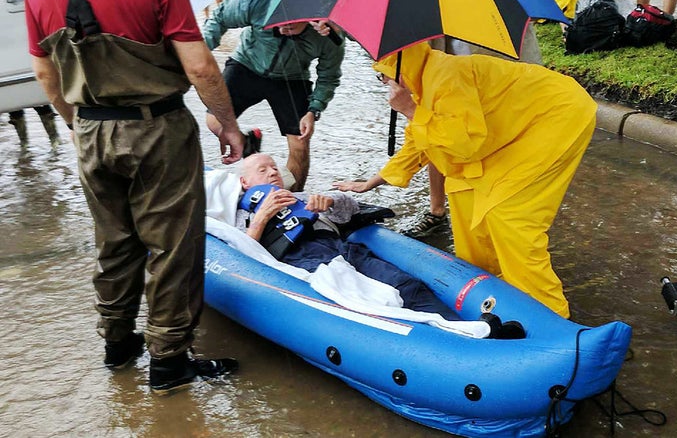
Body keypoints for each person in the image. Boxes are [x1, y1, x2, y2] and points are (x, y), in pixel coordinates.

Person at [25, 0, 245, 394]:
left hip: (89, 130)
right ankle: (168, 363)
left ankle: (118, 344)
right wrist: (228, 124)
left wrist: (77, 124)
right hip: (156, 128)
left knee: (114, 240)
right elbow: (200, 67)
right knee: (172, 245)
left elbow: (44, 75)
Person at [333, 42, 596, 319]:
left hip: (554, 116)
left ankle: (553, 317)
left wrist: (411, 110)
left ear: (400, 68)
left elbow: (465, 142)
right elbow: (420, 141)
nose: (384, 81)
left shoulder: (446, 75)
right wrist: (373, 182)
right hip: (506, 132)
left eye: (383, 74)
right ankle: (496, 292)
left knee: (507, 216)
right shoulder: (421, 82)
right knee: (463, 199)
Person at [236, 153, 462, 321]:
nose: (273, 172)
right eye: (263, 170)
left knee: (406, 285)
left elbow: (350, 209)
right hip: (301, 261)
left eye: (274, 167)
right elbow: (242, 259)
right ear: (245, 183)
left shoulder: (302, 197)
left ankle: (464, 330)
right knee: (367, 300)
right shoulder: (242, 215)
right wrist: (261, 218)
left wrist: (331, 202)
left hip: (340, 249)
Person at [203, 0, 345, 192]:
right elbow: (220, 17)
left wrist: (314, 110)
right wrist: (199, 54)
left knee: (300, 141)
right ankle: (247, 143)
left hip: (293, 78)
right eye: (276, 21)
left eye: (290, 25)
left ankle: (292, 195)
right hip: (246, 64)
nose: (282, 27)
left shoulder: (330, 37)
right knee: (214, 122)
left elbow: (329, 77)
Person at [403, 29, 544, 239]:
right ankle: (437, 208)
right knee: (436, 132)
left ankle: (499, 212)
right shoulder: (426, 8)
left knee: (497, 143)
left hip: (495, 80)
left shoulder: (498, 7)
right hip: (446, 74)